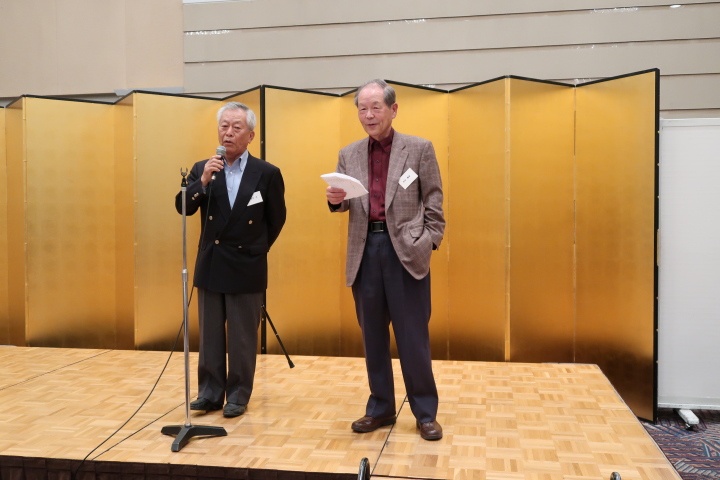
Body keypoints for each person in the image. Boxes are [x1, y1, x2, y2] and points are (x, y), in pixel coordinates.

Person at [325, 79, 446, 440]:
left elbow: (434, 201)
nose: (369, 115)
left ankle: (425, 412)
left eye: (375, 107)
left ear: (393, 109)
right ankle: (380, 407)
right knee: (373, 337)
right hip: (365, 252)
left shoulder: (419, 149)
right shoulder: (349, 154)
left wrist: (428, 241)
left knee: (413, 337)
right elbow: (344, 203)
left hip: (405, 252)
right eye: (362, 108)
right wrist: (334, 200)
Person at [176, 102, 286, 418]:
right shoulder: (204, 168)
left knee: (242, 336)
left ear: (250, 135)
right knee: (210, 334)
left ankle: (238, 394)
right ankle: (210, 393)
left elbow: (276, 219)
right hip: (212, 263)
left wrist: (255, 249)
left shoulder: (267, 173)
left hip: (246, 264)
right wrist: (202, 182)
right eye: (224, 126)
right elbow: (183, 207)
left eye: (236, 127)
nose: (228, 132)